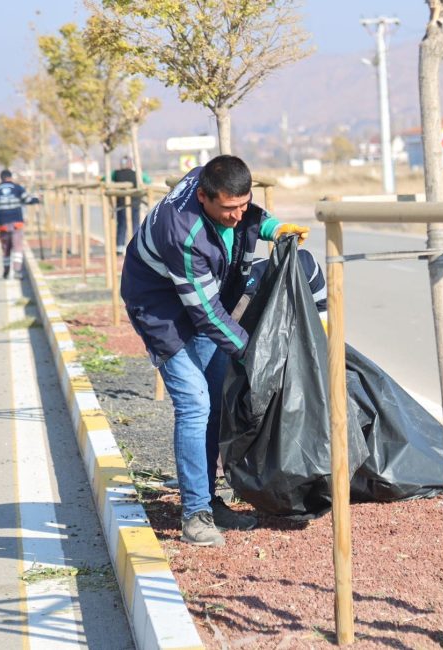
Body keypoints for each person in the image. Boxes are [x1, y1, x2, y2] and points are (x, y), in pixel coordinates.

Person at [120, 155, 312, 547]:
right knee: (195, 404)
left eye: (243, 205)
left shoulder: (210, 180)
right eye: (228, 208)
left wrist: (274, 227)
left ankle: (210, 500)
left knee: (216, 403)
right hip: (160, 308)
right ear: (204, 197)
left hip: (198, 297)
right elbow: (207, 315)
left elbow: (246, 211)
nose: (237, 216)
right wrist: (250, 351)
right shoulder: (184, 236)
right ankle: (195, 515)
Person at [0, 169, 39, 279]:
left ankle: (6, 270)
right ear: (10, 177)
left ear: (1, 178)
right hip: (17, 223)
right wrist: (36, 200)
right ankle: (17, 271)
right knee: (17, 248)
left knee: (6, 249)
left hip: (3, 225)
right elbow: (27, 200)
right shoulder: (18, 188)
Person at [110, 156, 150, 254]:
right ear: (131, 164)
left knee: (121, 225)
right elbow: (147, 180)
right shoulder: (137, 174)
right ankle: (135, 246)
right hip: (135, 203)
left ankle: (119, 247)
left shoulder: (115, 173)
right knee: (135, 224)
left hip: (121, 204)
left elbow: (105, 178)